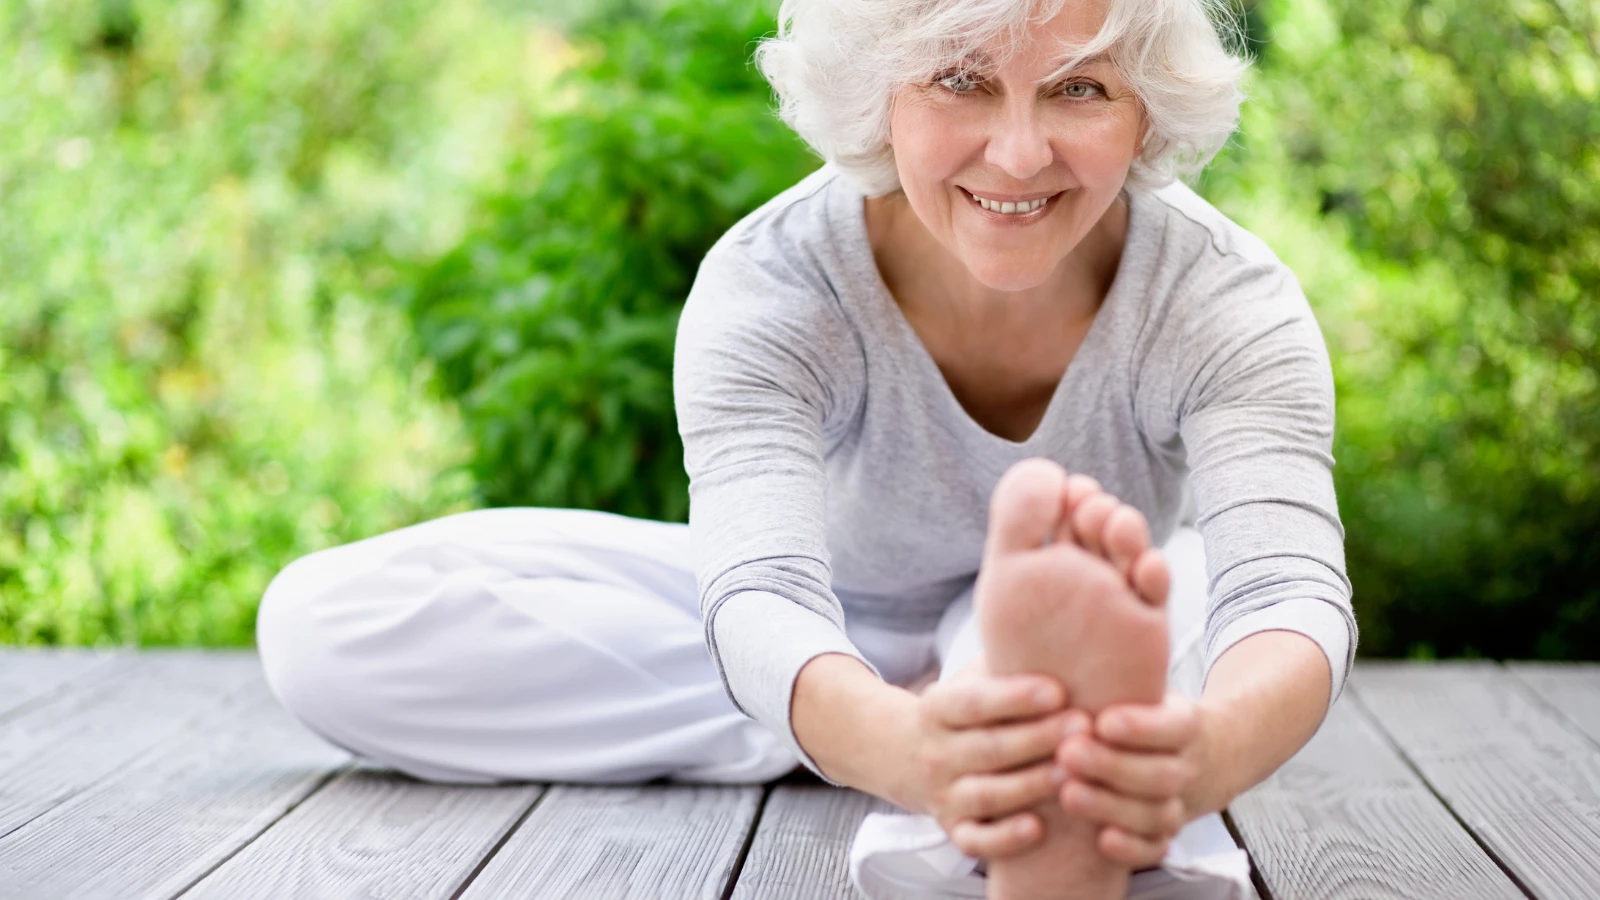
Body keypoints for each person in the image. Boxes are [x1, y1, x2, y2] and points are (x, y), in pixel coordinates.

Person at [255, 0, 1357, 895]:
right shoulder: (772, 285)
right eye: (961, 80)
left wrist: (1204, 754)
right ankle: (934, 746)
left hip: (1113, 607)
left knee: (1189, 586)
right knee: (321, 627)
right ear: (874, 92)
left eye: (1077, 87)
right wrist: (890, 732)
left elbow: (1287, 593)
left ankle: (996, 756)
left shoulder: (1225, 301)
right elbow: (759, 585)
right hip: (828, 615)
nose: (1019, 153)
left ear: (1146, 112)